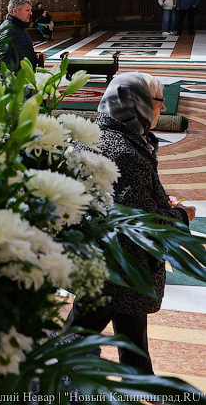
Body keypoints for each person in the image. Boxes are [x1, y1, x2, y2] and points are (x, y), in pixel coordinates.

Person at [64, 72, 195, 373]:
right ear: (138, 103)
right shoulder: (125, 150)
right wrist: (180, 216)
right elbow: (136, 219)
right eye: (159, 102)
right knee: (75, 340)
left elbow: (126, 198)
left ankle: (140, 383)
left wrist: (160, 199)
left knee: (129, 337)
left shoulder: (102, 136)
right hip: (120, 264)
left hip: (107, 261)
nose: (164, 108)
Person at [0, 0, 39, 71]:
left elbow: (20, 52)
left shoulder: (20, 27)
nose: (31, 13)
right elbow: (1, 60)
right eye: (27, 10)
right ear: (15, 11)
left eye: (30, 10)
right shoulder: (6, 31)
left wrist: (35, 56)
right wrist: (16, 77)